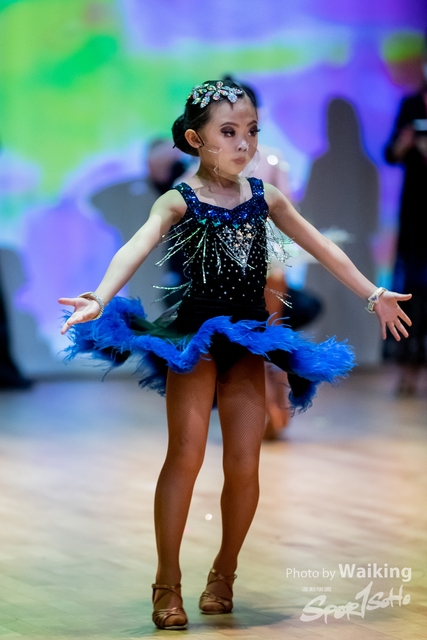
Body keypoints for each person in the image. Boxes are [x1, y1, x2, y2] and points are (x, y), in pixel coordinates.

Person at [59, 80, 411, 631]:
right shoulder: (179, 199)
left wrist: (373, 293)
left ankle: (224, 573)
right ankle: (167, 580)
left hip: (246, 340)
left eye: (251, 131)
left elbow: (321, 245)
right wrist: (100, 296)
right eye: (228, 132)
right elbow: (137, 244)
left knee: (245, 463)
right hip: (194, 341)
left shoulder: (265, 197)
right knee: (186, 455)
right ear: (196, 140)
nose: (243, 143)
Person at [385, 75, 427, 395]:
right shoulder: (411, 104)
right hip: (415, 211)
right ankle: (407, 367)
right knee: (411, 290)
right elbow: (391, 153)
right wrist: (407, 143)